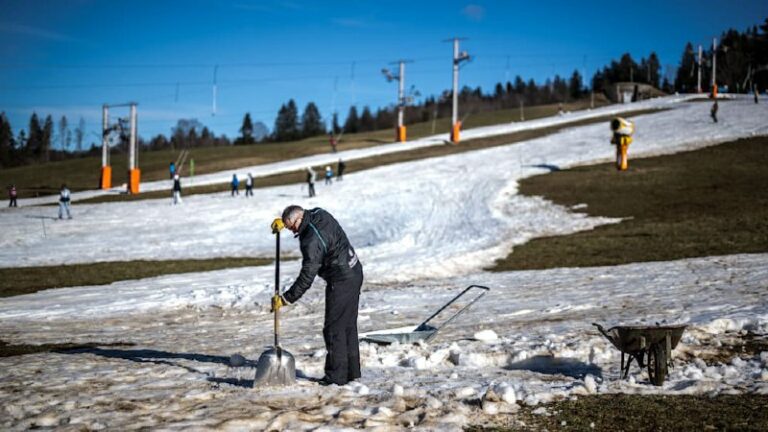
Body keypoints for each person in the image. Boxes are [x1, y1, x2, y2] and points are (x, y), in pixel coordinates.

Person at [270, 205, 363, 386]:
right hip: (354, 270)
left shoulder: (311, 241)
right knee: (347, 325)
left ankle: (336, 377)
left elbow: (307, 277)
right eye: (288, 228)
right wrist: (285, 221)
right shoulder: (319, 213)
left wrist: (286, 298)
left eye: (291, 227)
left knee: (334, 329)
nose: (292, 231)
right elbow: (301, 215)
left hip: (342, 279)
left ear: (298, 219)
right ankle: (352, 372)